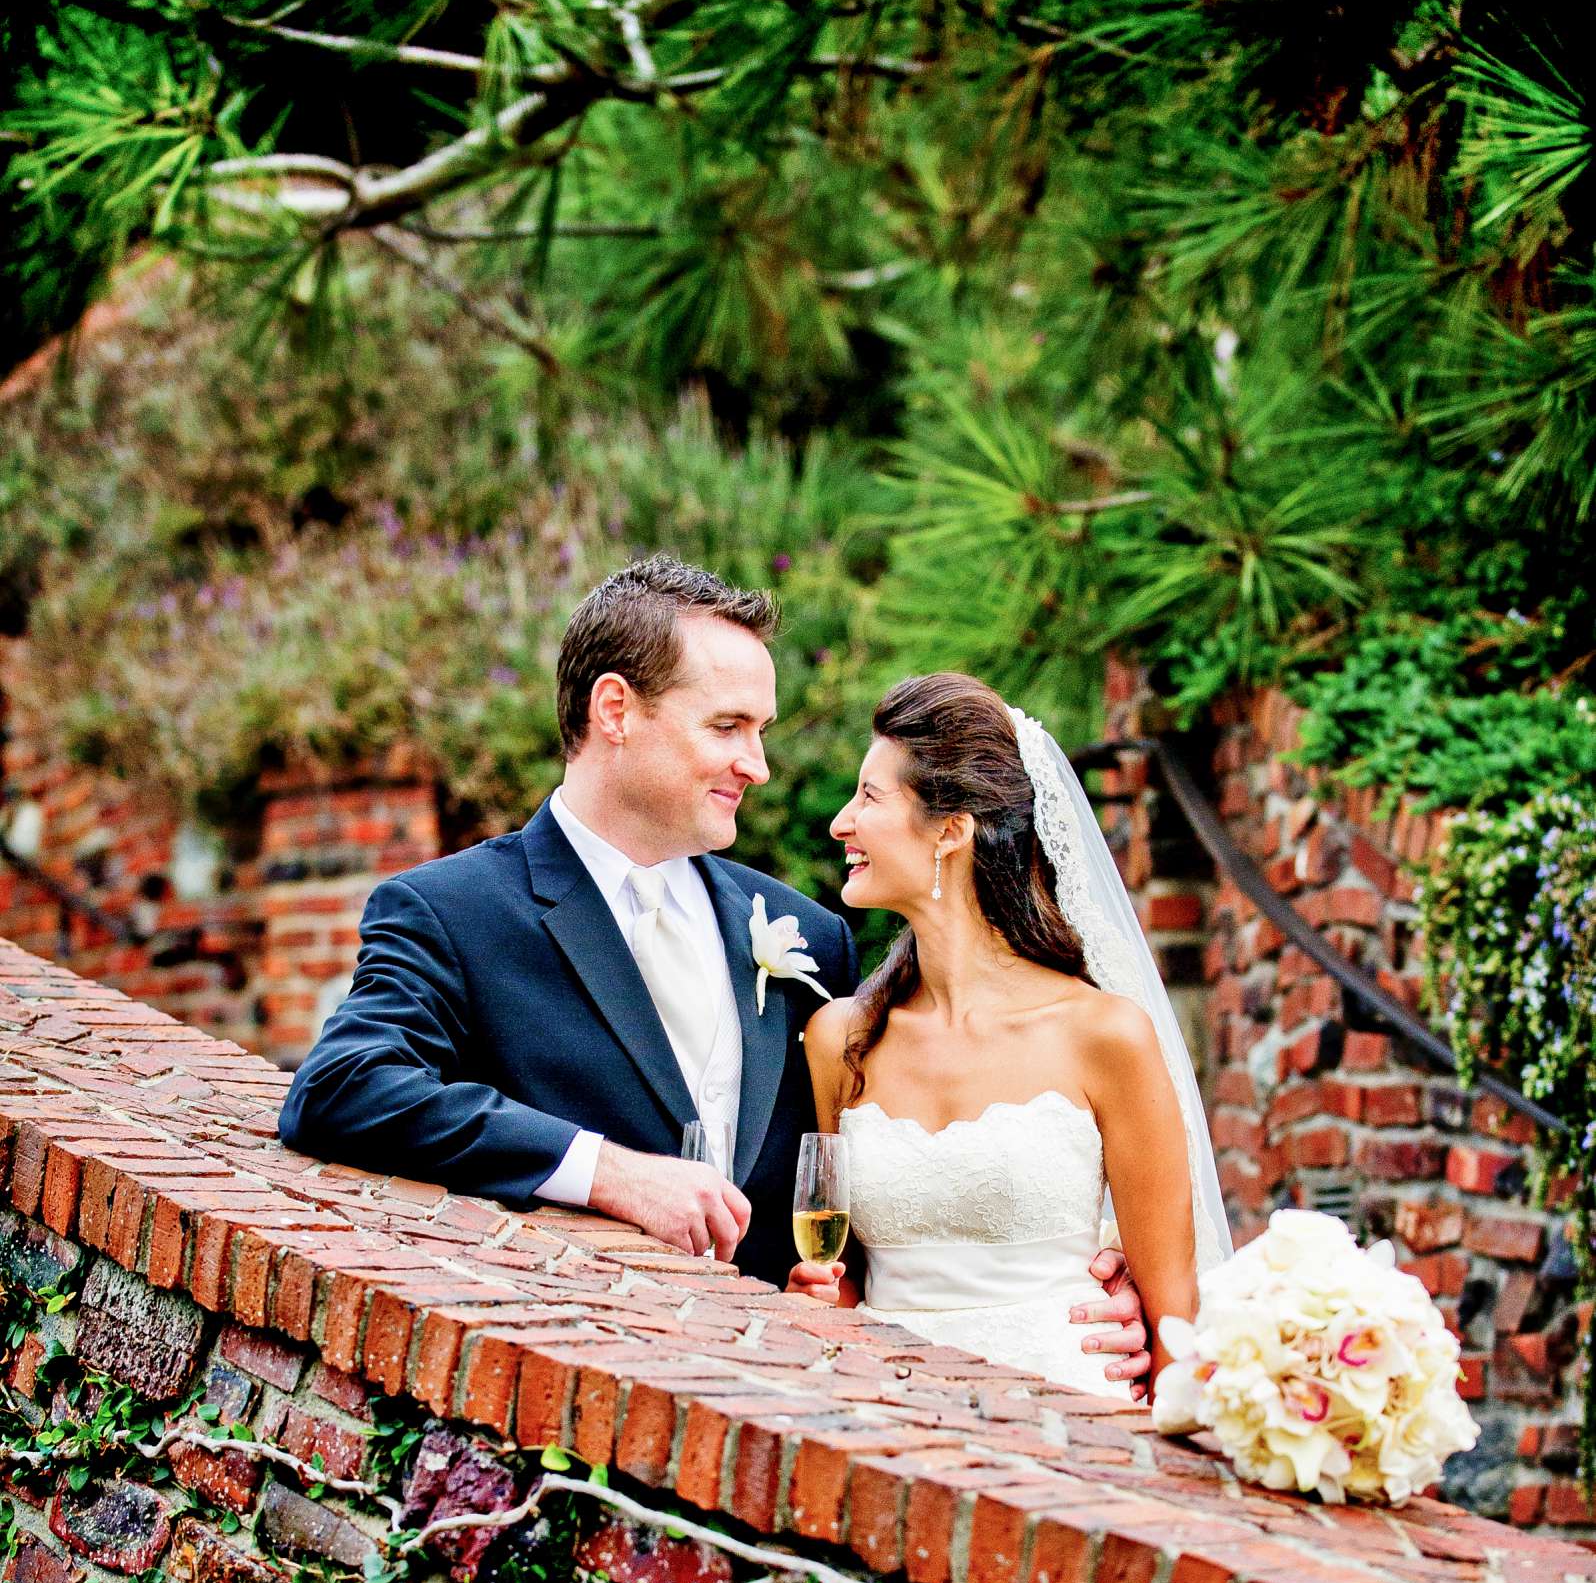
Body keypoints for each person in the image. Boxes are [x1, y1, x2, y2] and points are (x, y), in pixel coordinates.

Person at [278, 559, 1151, 1382]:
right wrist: (609, 1174)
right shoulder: (452, 911)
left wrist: (1090, 1270)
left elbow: (910, 1181)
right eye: (728, 727)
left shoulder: (809, 937)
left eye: (760, 731)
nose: (758, 766)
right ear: (614, 709)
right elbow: (345, 1087)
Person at [787, 673, 1231, 1398]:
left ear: (952, 829)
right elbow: (843, 1281)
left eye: (869, 797)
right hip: (880, 1418)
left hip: (1072, 1424)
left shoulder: (1104, 1034)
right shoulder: (840, 1038)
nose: (842, 822)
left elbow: (1175, 1316)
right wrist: (818, 1298)